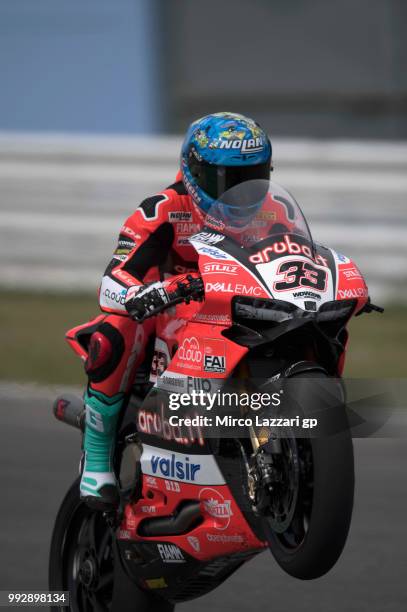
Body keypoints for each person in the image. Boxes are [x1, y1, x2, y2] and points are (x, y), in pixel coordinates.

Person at [78, 112, 273, 510]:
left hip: (242, 314)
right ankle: (96, 457)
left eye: (251, 178)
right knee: (115, 330)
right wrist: (154, 292)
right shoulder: (162, 210)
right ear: (193, 171)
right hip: (173, 318)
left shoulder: (274, 215)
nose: (238, 194)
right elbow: (113, 280)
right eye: (225, 181)